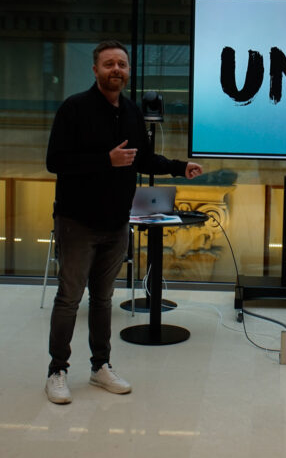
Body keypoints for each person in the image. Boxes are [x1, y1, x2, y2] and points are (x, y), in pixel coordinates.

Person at [45, 40, 202, 404]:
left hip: (117, 222)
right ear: (95, 70)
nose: (116, 69)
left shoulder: (131, 111)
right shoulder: (74, 108)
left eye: (122, 64)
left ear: (128, 71)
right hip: (77, 221)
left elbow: (142, 159)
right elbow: (55, 161)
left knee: (103, 299)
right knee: (69, 298)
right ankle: (57, 370)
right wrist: (106, 160)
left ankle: (100, 366)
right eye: (109, 64)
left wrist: (180, 167)